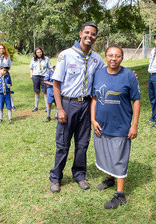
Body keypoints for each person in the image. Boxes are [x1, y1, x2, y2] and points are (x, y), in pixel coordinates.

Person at [49, 22, 104, 193]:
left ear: (96, 37)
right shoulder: (66, 55)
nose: (89, 36)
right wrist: (59, 109)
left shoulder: (97, 59)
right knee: (63, 144)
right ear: (80, 33)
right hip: (68, 103)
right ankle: (56, 177)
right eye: (86, 32)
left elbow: (107, 74)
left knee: (82, 143)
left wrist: (126, 74)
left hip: (86, 105)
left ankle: (79, 175)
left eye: (93, 34)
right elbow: (56, 83)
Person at [91, 45, 141, 209]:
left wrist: (134, 125)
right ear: (105, 57)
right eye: (110, 55)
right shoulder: (98, 73)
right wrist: (93, 119)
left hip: (121, 126)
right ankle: (109, 178)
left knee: (119, 157)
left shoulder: (128, 76)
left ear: (122, 58)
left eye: (117, 56)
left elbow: (136, 100)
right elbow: (94, 99)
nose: (114, 58)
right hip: (101, 125)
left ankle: (120, 195)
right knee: (105, 153)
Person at [0, 43, 16, 110]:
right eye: (0, 48)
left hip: (6, 73)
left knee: (8, 88)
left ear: (4, 49)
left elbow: (9, 66)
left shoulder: (7, 57)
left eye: (2, 48)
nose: (1, 50)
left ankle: (12, 105)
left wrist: (5, 71)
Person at [29, 47, 51, 112]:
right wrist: (31, 76)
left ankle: (47, 106)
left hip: (44, 76)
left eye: (40, 52)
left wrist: (49, 76)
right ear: (35, 53)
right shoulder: (33, 59)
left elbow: (49, 68)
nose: (39, 53)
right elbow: (31, 68)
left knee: (45, 91)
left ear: (42, 52)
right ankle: (36, 106)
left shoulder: (46, 59)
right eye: (38, 52)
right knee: (37, 91)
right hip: (35, 76)